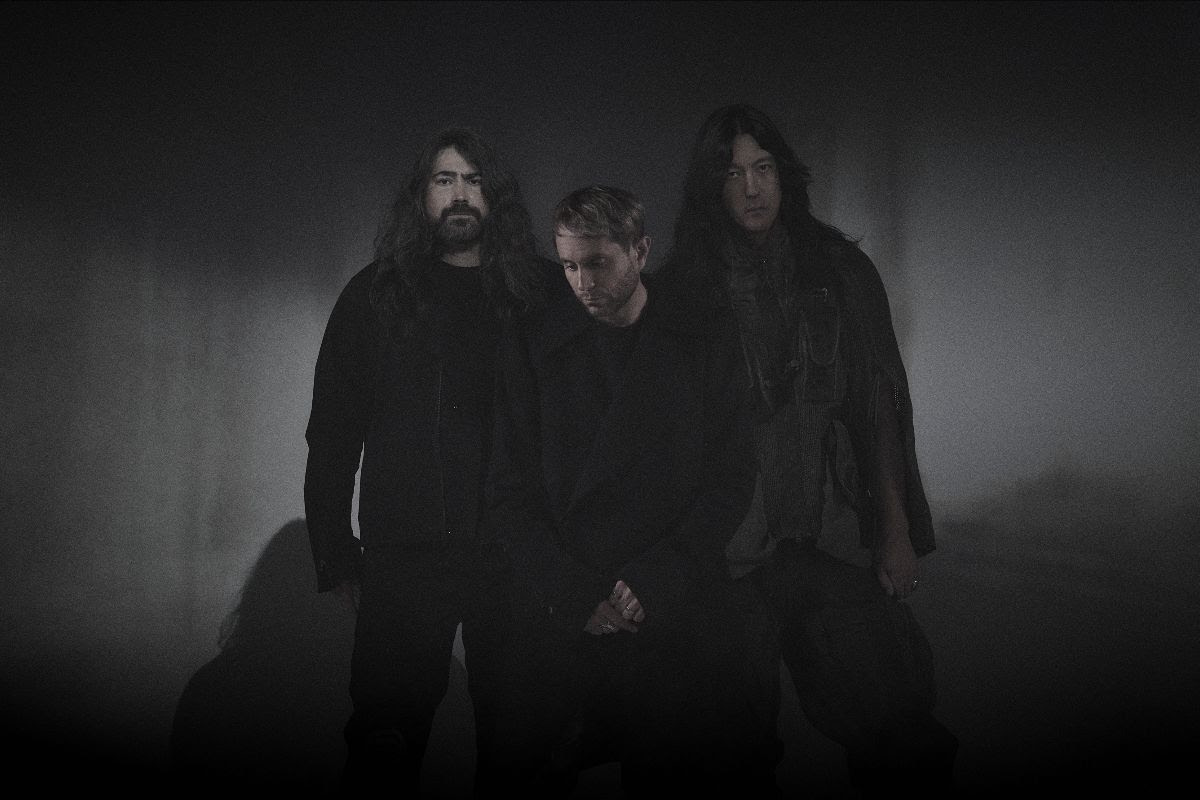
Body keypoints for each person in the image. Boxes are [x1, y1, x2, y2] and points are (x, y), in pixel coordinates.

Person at [659, 104, 959, 796]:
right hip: (729, 555)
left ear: (784, 175)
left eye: (763, 168)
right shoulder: (682, 291)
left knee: (898, 728)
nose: (752, 188)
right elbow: (662, 439)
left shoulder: (838, 271)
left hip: (831, 538)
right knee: (726, 752)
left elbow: (877, 408)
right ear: (711, 185)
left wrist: (894, 530)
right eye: (733, 173)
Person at [484, 185, 779, 797]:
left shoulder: (702, 334)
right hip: (568, 611)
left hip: (670, 609)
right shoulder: (534, 342)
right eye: (569, 266)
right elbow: (508, 491)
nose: (582, 283)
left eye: (598, 263)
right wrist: (571, 591)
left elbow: (732, 475)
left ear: (640, 252)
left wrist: (661, 576)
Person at [302, 127, 549, 795]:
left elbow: (586, 429)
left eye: (474, 180)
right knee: (384, 744)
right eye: (445, 180)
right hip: (407, 557)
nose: (460, 194)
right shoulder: (375, 294)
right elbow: (333, 432)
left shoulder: (540, 295)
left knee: (523, 749)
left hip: (517, 556)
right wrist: (334, 550)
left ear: (496, 196)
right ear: (421, 195)